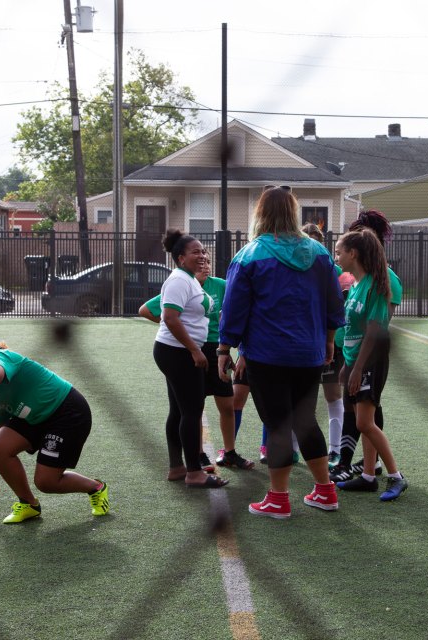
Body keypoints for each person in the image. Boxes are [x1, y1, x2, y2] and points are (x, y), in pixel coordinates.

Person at [218, 186, 345, 519]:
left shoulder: (250, 255)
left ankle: (278, 498)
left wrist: (224, 348)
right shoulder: (319, 253)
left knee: (277, 424)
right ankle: (325, 491)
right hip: (309, 353)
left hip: (267, 354)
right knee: (305, 421)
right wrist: (329, 341)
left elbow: (234, 309)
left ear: (260, 213)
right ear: (294, 211)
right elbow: (334, 304)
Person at [0, 329, 110, 524]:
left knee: (46, 482)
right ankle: (29, 505)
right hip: (33, 417)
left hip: (66, 412)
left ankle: (95, 488)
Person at [139, 257, 254, 471]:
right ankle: (198, 455)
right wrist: (176, 325)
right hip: (193, 350)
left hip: (219, 350)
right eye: (199, 262)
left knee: (227, 404)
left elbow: (240, 307)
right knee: (194, 407)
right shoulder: (182, 285)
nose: (205, 266)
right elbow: (146, 310)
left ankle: (229, 452)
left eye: (208, 261)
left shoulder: (221, 285)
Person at [332, 229, 408, 502]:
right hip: (356, 362)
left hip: (371, 362)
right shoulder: (356, 284)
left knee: (365, 422)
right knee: (365, 422)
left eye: (339, 251)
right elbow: (353, 329)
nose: (336, 256)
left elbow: (375, 329)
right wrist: (347, 364)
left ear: (353, 254)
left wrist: (359, 367)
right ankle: (367, 476)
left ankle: (396, 477)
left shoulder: (377, 284)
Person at [152, 229, 229, 488]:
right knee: (191, 411)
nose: (202, 255)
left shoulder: (189, 279)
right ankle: (194, 472)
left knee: (179, 411)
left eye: (203, 251)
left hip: (177, 351)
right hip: (178, 352)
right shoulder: (179, 280)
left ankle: (177, 467)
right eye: (195, 251)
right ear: (180, 257)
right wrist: (194, 350)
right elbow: (170, 318)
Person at [302, 222, 350, 468]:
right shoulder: (294, 269)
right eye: (306, 240)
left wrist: (330, 339)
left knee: (332, 395)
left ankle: (335, 450)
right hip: (301, 342)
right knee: (299, 398)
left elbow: (338, 308)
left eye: (315, 241)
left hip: (328, 342)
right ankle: (291, 449)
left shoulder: (331, 270)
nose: (311, 245)